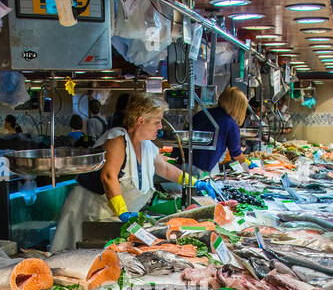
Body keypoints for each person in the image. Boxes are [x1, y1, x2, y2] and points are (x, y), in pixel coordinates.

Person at [50, 94, 217, 252]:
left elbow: (165, 169)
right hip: (87, 213)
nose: (160, 127)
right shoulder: (117, 139)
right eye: (157, 122)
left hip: (110, 218)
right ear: (140, 120)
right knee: (70, 263)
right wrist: (122, 211)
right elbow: (108, 176)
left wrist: (194, 182)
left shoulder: (147, 147)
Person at [188, 86, 255, 177]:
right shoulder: (230, 123)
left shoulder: (202, 114)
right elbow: (236, 153)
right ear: (239, 107)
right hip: (202, 168)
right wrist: (248, 164)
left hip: (184, 163)